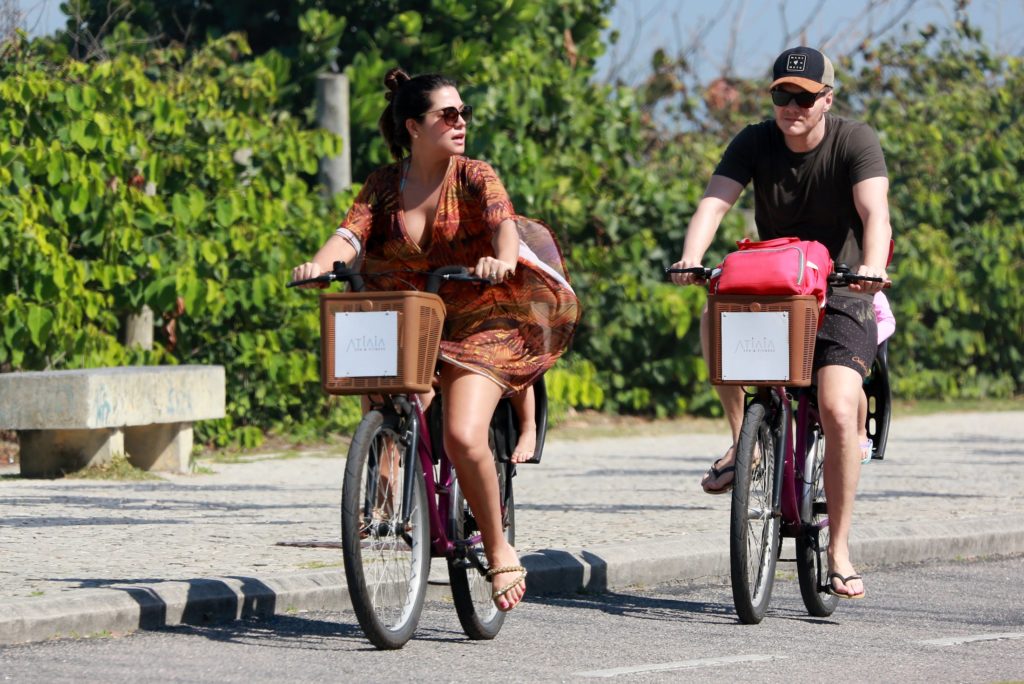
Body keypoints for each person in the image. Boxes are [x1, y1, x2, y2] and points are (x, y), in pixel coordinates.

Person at [292, 68, 580, 611]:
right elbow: (348, 235)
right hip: (414, 318)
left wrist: (500, 257)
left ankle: (498, 549)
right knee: (385, 391)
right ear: (414, 126)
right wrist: (319, 264)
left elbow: (504, 223)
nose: (461, 122)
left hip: (481, 317)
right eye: (447, 115)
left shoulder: (474, 175)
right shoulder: (383, 184)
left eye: (463, 113)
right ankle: (386, 484)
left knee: (463, 436)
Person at [669, 47, 892, 600]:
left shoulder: (854, 140)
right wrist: (690, 258)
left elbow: (875, 213)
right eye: (781, 95)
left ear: (827, 99)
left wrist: (873, 267)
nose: (791, 106)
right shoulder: (753, 140)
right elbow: (714, 204)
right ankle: (741, 442)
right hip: (777, 288)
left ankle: (838, 550)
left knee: (839, 406)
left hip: (842, 290)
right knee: (713, 316)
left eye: (804, 96)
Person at [857, 291, 896, 463]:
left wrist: (869, 339)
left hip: (858, 353)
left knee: (853, 385)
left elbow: (888, 321)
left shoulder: (873, 290)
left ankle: (860, 432)